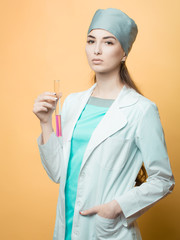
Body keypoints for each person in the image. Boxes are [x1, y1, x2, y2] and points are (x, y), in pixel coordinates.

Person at [33, 8, 175, 240]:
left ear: (124, 53)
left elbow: (163, 179)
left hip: (107, 230)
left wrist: (116, 208)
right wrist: (46, 123)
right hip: (66, 229)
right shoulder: (71, 104)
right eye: (91, 41)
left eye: (108, 42)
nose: (96, 50)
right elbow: (58, 171)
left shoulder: (141, 110)